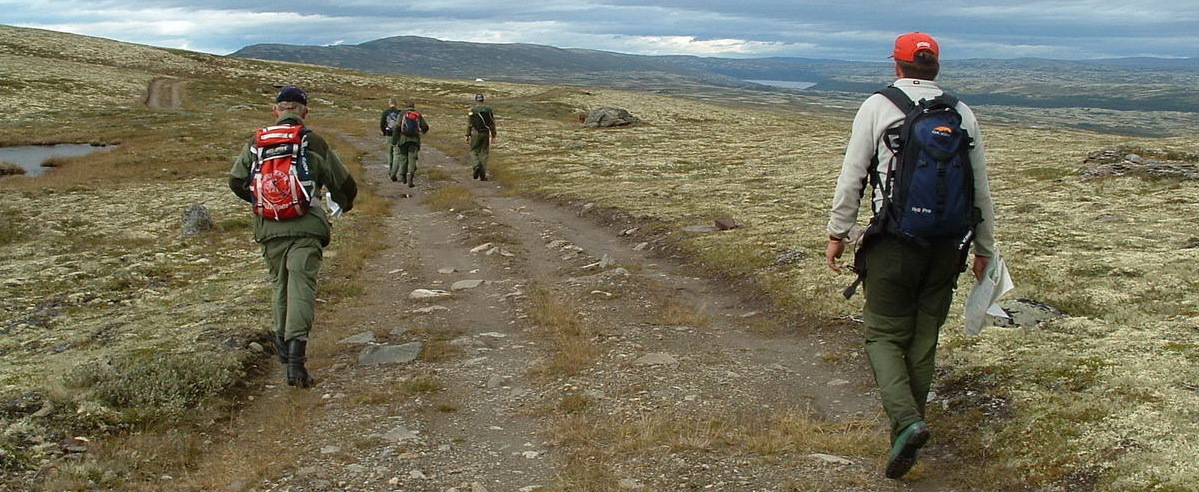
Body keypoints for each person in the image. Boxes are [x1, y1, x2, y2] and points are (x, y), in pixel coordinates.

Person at [824, 32, 997, 479]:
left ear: (897, 66)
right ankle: (907, 435)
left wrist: (838, 232)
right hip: (947, 248)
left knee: (883, 335)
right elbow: (979, 188)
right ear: (934, 67)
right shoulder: (961, 112)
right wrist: (984, 248)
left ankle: (907, 423)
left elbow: (853, 174)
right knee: (923, 340)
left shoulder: (879, 106)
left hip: (895, 242)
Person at [229, 85, 357, 388]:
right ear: (304, 111)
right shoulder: (312, 141)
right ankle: (296, 362)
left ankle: (283, 348)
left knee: (281, 286)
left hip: (268, 227)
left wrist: (266, 202)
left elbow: (236, 181)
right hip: (306, 226)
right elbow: (343, 183)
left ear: (276, 111)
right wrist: (343, 204)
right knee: (301, 285)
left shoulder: (256, 142)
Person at [389, 100, 430, 187]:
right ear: (413, 106)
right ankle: (410, 178)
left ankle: (403, 177)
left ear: (406, 106)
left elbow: (397, 127)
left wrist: (394, 140)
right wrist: (422, 132)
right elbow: (425, 127)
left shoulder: (402, 114)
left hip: (402, 140)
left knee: (403, 158)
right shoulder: (417, 114)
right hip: (414, 141)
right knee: (412, 159)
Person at [465, 93, 497, 180]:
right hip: (485, 133)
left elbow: (469, 124)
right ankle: (483, 174)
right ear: (483, 100)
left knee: (473, 151)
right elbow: (492, 123)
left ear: (476, 100)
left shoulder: (472, 110)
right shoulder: (488, 110)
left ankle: (476, 165)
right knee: (484, 152)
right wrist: (493, 135)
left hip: (475, 133)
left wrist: (467, 135)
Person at [379, 98, 401, 169]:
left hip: (389, 134)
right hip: (398, 135)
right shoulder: (399, 112)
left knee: (390, 153)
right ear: (396, 104)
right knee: (397, 153)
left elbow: (382, 124)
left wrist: (384, 132)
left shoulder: (385, 112)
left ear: (389, 103)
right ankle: (396, 170)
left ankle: (391, 169)